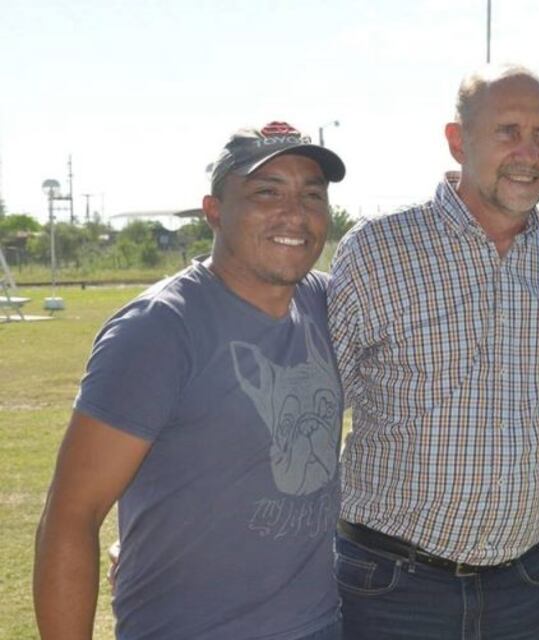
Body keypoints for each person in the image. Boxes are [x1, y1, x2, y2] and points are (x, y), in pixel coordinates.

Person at [34, 122, 347, 640]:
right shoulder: (159, 329)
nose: (295, 213)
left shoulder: (327, 304)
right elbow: (72, 514)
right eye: (267, 192)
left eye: (311, 195)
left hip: (318, 626)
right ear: (215, 211)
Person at [327, 65, 539, 638]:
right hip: (392, 585)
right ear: (458, 140)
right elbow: (308, 412)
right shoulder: (379, 250)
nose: (528, 152)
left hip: (529, 585)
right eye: (507, 131)